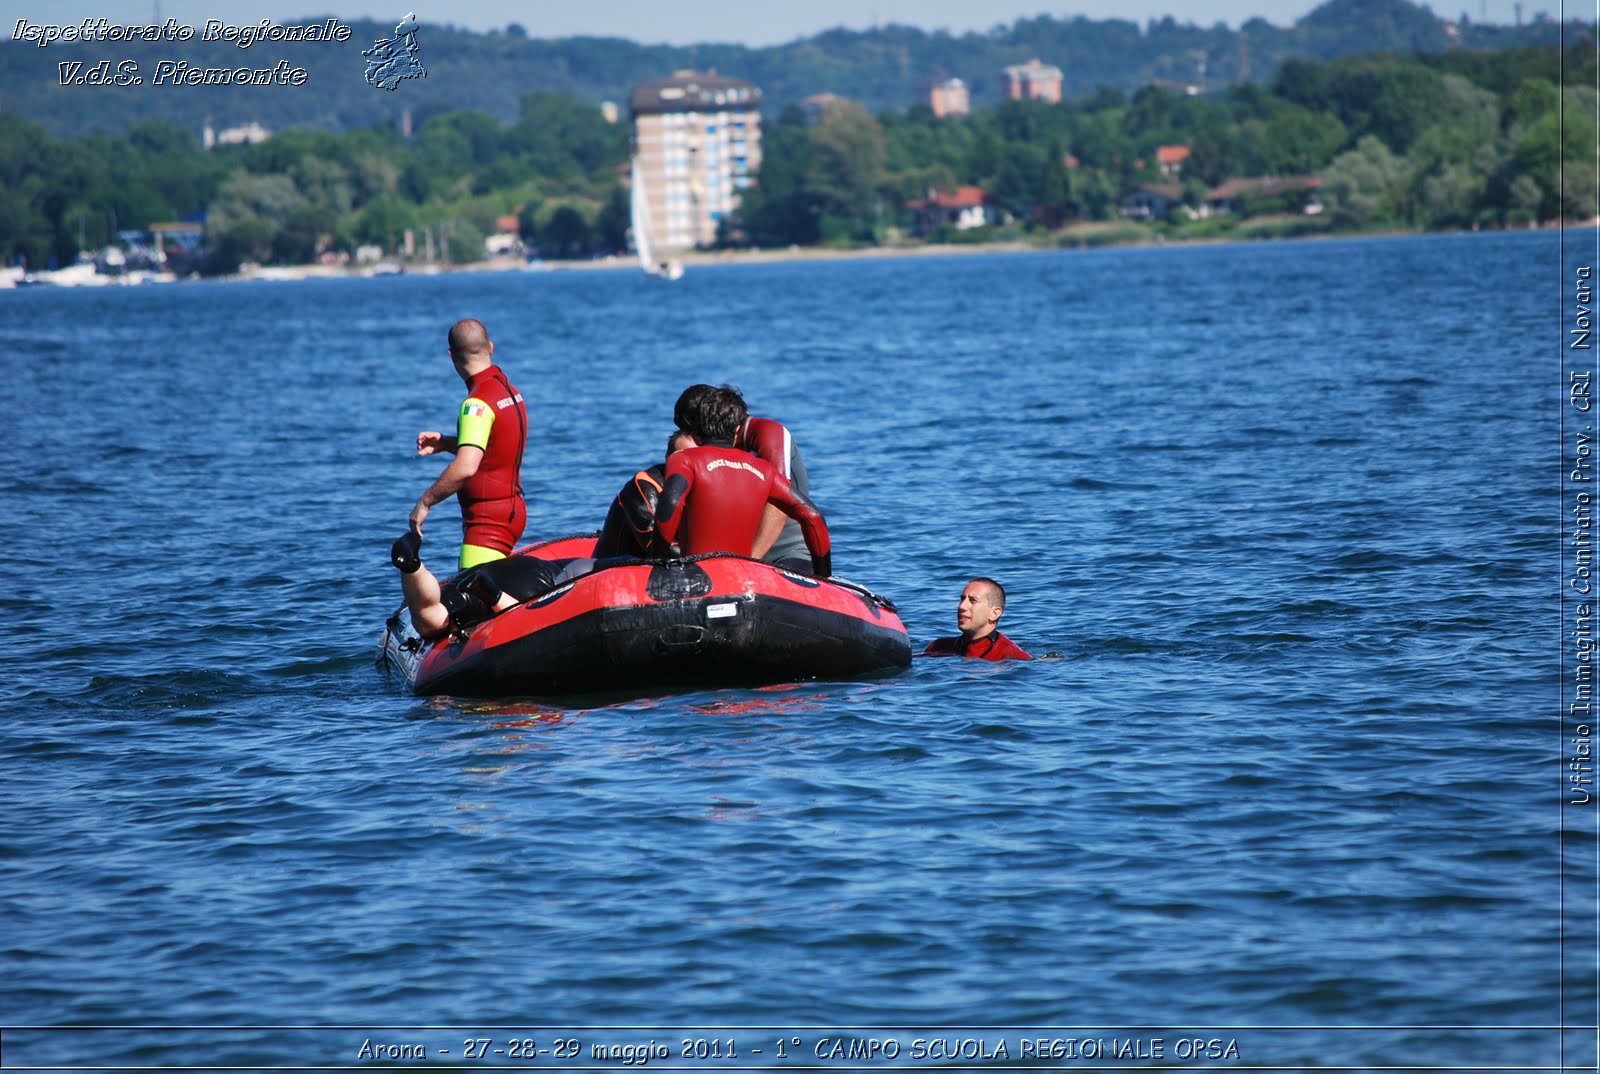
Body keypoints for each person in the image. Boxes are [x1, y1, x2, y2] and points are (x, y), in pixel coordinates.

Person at [656, 386, 832, 577]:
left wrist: (748, 564)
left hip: (784, 552)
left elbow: (779, 508)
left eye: (687, 428)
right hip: (736, 559)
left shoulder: (768, 433)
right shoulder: (711, 451)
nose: (685, 435)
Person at [408, 318, 528, 569]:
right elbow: (496, 446)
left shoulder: (476, 404)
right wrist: (448, 443)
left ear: (452, 356)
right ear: (491, 348)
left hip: (487, 525)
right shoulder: (508, 390)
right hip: (513, 511)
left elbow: (466, 466)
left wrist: (425, 502)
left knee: (479, 602)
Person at [390, 543, 562, 641]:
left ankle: (414, 568)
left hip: (490, 573)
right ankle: (493, 595)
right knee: (431, 621)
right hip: (538, 576)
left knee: (432, 620)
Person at [594, 430, 696, 559]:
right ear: (667, 458)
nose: (685, 464)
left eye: (693, 458)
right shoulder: (644, 485)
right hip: (617, 564)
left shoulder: (705, 487)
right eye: (680, 457)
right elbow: (656, 547)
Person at [923, 578, 1032, 661]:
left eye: (973, 600)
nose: (962, 606)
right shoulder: (938, 647)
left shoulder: (1013, 657)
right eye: (962, 599)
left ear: (994, 613)